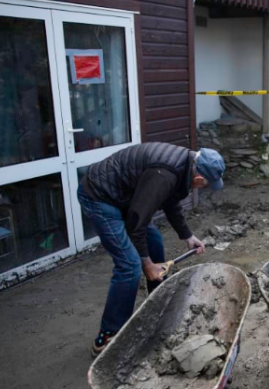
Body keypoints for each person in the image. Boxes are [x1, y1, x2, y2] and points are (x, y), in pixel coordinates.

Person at [77, 142, 226, 357]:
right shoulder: (165, 174)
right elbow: (136, 223)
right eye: (206, 185)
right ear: (199, 179)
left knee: (154, 240)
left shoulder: (182, 165)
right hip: (100, 196)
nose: (203, 188)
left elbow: (170, 201)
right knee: (129, 265)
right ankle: (107, 335)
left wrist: (187, 236)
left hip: (124, 195)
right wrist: (146, 263)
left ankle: (158, 303)